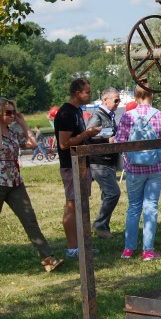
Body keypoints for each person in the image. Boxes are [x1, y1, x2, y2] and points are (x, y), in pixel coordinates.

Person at [0, 98, 63, 273]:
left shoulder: (13, 132)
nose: (11, 116)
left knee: (29, 219)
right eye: (7, 112)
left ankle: (47, 258)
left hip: (15, 182)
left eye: (13, 112)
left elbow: (33, 144)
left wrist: (23, 123)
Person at [115, 83, 161, 261]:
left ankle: (128, 249)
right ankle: (148, 251)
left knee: (134, 208)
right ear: (152, 95)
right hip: (156, 168)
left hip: (134, 169)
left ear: (135, 97)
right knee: (151, 207)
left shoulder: (127, 117)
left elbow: (120, 141)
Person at [55, 78, 101, 258]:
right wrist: (86, 133)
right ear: (77, 93)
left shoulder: (76, 111)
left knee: (81, 204)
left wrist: (91, 137)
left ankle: (82, 245)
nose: (89, 94)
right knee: (72, 205)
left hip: (81, 164)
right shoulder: (66, 113)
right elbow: (64, 144)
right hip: (70, 165)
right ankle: (72, 247)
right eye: (87, 92)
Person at [86, 87, 121, 239]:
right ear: (105, 100)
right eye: (116, 99)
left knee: (107, 194)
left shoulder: (109, 115)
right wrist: (107, 140)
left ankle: (103, 228)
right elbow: (88, 135)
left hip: (108, 161)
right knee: (114, 193)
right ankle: (100, 224)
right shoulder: (98, 115)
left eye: (119, 100)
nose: (118, 103)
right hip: (99, 162)